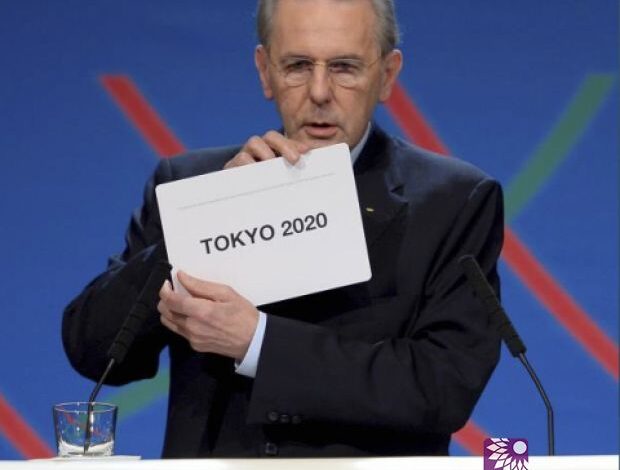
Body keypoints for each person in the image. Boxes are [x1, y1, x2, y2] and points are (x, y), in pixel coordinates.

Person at [63, 0, 504, 458]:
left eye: (344, 67)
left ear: (387, 75)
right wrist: (206, 220)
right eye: (297, 66)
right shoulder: (190, 184)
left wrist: (259, 342)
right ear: (264, 72)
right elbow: (95, 352)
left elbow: (442, 386)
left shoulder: (452, 200)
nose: (319, 92)